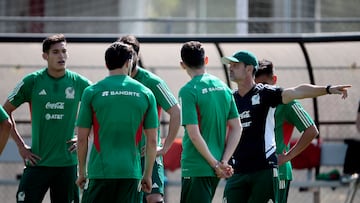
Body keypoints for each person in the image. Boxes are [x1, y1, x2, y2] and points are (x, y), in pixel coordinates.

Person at [221, 50, 351, 203]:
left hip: (263, 171)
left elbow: (297, 91)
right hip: (238, 172)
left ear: (249, 69)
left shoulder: (266, 94)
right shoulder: (230, 98)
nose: (230, 68)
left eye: (235, 65)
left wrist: (328, 89)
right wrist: (223, 161)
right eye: (230, 65)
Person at [3, 33, 92, 202]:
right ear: (45, 56)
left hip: (67, 164)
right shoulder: (32, 81)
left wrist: (85, 136)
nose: (62, 56)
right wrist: (21, 146)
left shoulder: (79, 83)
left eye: (64, 51)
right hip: (37, 162)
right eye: (56, 52)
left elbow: (101, 110)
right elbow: (4, 111)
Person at [75, 42, 158, 203]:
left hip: (99, 172)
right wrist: (147, 174)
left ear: (106, 64)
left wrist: (82, 172)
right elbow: (152, 141)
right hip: (131, 174)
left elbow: (81, 138)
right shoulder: (146, 93)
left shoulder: (91, 92)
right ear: (129, 63)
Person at [118, 35, 181, 203]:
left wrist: (165, 147)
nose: (127, 59)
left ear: (137, 55)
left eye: (130, 54)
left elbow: (176, 112)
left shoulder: (151, 82)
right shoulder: (113, 83)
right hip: (122, 154)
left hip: (148, 153)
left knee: (154, 198)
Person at [179, 41, 243, 203]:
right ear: (206, 60)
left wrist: (215, 165)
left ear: (182, 65)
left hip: (196, 166)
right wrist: (224, 161)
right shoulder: (224, 88)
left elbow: (193, 134)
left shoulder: (188, 90)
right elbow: (237, 128)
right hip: (217, 167)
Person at [255, 59, 319, 203]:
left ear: (274, 80)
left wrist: (288, 156)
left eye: (264, 84)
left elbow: (311, 130)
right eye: (257, 84)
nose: (261, 88)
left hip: (278, 172)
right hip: (254, 171)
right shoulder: (251, 101)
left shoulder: (286, 102)